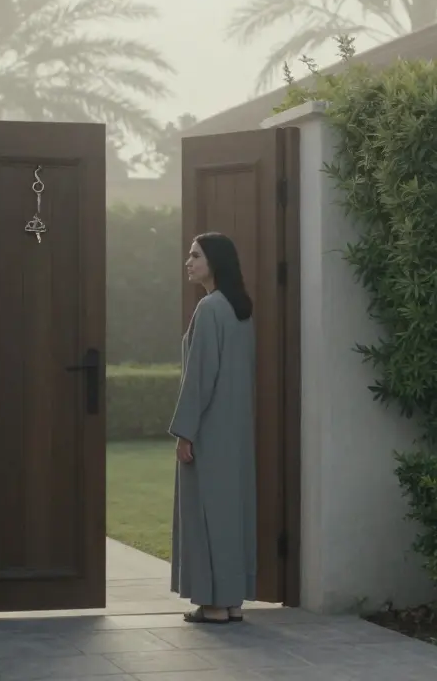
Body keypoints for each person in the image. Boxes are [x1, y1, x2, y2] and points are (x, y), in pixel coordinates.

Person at [169, 231, 257, 624]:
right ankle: (232, 601)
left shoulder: (209, 309)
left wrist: (185, 432)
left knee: (206, 513)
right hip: (235, 431)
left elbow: (200, 378)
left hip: (209, 429)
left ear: (214, 263)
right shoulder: (240, 311)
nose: (188, 262)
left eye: (195, 256)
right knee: (230, 512)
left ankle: (213, 604)